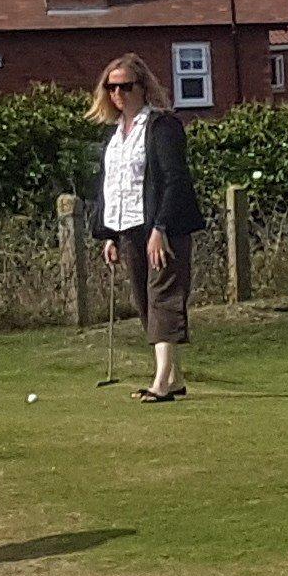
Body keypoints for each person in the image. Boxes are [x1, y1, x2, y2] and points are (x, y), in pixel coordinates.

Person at [89, 54, 202, 401]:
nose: (118, 93)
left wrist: (161, 227)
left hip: (161, 228)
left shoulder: (161, 126)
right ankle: (175, 377)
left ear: (142, 87)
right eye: (112, 87)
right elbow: (113, 185)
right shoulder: (116, 136)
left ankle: (162, 382)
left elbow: (174, 180)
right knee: (144, 302)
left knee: (164, 297)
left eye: (125, 86)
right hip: (127, 228)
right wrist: (108, 234)